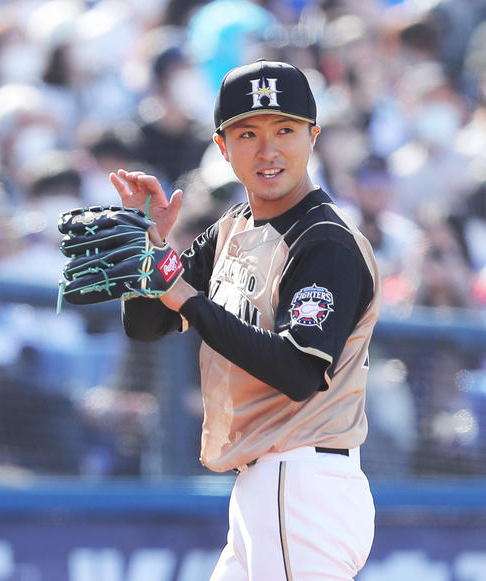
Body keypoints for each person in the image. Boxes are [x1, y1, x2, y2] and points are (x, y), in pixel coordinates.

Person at [109, 59, 381, 580]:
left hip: (301, 482)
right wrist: (150, 248)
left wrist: (189, 300)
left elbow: (299, 372)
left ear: (313, 136)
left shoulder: (325, 243)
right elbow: (147, 326)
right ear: (222, 146)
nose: (268, 149)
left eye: (285, 130)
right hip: (268, 485)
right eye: (248, 133)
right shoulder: (232, 228)